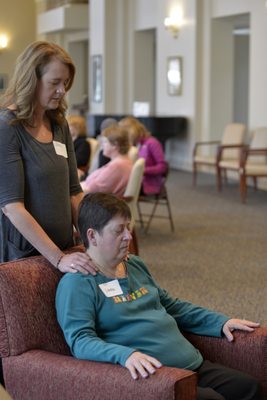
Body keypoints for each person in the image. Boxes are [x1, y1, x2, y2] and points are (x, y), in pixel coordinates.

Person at [56, 192, 264, 400]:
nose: (129, 236)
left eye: (128, 227)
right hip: (155, 377)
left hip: (191, 365)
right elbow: (80, 341)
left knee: (250, 388)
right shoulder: (78, 283)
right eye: (119, 230)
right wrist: (124, 355)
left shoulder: (134, 265)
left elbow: (172, 307)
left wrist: (220, 322)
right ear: (93, 236)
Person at [0, 41, 94, 275]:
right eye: (55, 83)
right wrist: (57, 258)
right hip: (24, 255)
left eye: (65, 83)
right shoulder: (7, 127)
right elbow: (12, 207)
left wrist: (91, 242)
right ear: (32, 81)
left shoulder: (59, 124)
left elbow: (74, 191)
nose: (62, 90)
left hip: (63, 246)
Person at [81, 124, 133, 196]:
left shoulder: (117, 166)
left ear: (115, 145)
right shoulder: (122, 162)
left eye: (105, 142)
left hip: (95, 201)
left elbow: (93, 188)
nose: (102, 146)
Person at [119, 116, 167, 195]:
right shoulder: (136, 145)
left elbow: (162, 167)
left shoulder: (152, 143)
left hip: (148, 184)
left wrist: (141, 170)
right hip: (136, 181)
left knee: (118, 188)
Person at [66, 114, 91, 180]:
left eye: (69, 125)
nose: (66, 128)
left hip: (77, 172)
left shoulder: (84, 143)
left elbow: (79, 161)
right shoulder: (68, 141)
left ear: (77, 127)